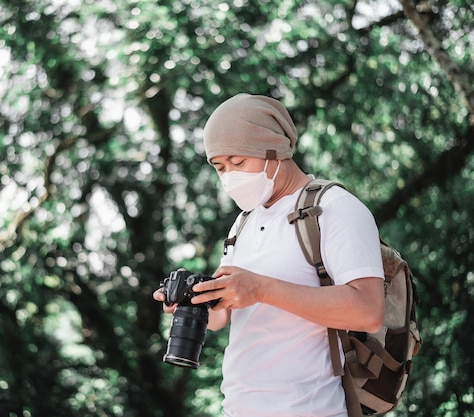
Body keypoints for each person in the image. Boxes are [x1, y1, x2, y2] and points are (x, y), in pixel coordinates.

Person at [153, 93, 385, 417]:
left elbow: (369, 311)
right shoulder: (245, 220)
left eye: (238, 162)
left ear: (274, 150)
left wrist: (262, 289)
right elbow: (222, 316)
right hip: (237, 409)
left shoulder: (335, 209)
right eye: (220, 167)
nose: (230, 177)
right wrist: (191, 302)